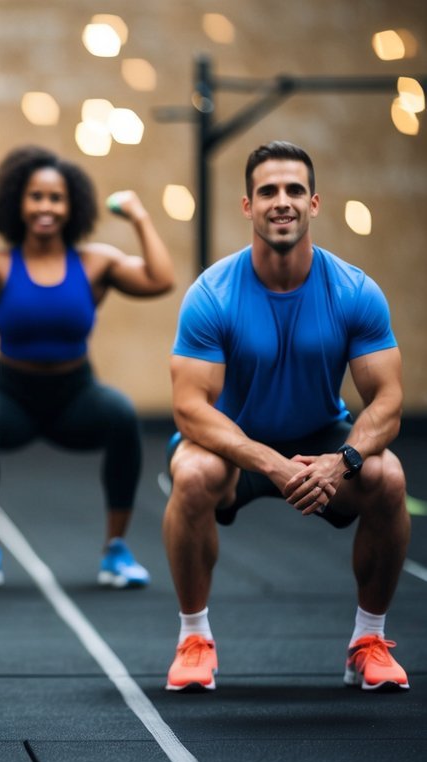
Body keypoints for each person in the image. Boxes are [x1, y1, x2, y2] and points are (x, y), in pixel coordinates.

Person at [163, 141, 410, 693]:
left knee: (388, 477)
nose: (282, 202)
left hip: (323, 439)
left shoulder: (354, 291)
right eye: (268, 191)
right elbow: (189, 409)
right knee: (194, 474)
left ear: (314, 203)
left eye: (294, 190)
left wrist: (343, 459)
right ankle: (193, 637)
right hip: (237, 443)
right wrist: (270, 463)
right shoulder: (212, 293)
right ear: (247, 206)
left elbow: (388, 403)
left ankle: (368, 641)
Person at [0, 145, 175, 590]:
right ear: (18, 202)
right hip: (11, 395)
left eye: (55, 198)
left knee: (121, 417)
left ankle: (116, 549)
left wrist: (139, 217)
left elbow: (160, 279)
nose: (45, 207)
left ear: (71, 206)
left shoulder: (96, 261)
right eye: (36, 196)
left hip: (77, 395)